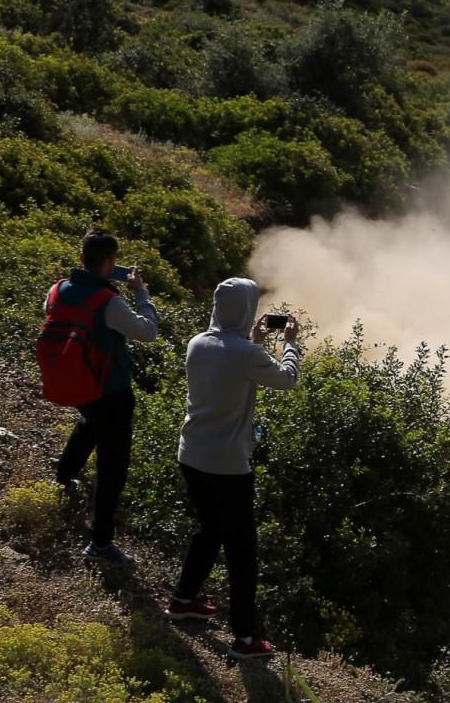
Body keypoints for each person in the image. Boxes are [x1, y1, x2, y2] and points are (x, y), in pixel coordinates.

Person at [166, 278, 300, 660]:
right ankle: (244, 638)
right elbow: (287, 379)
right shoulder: (246, 354)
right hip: (227, 466)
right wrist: (290, 343)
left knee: (209, 530)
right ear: (246, 309)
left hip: (191, 455)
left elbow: (228, 370)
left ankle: (182, 601)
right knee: (242, 552)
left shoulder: (197, 343)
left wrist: (253, 340)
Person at [50, 229, 158, 564]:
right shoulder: (109, 302)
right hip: (110, 389)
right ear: (111, 262)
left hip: (76, 383)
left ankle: (64, 475)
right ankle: (99, 544)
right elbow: (148, 331)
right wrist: (140, 292)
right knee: (112, 467)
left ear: (81, 258)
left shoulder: (57, 289)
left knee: (90, 422)